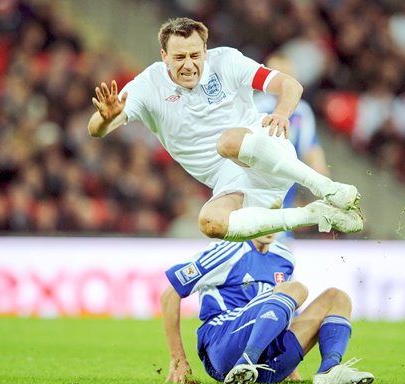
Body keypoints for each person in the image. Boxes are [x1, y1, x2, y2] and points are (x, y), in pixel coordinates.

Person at [87, 17, 363, 242]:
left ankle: (328, 188)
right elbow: (96, 130)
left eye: (195, 55)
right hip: (233, 184)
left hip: (266, 151)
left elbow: (291, 85)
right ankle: (317, 215)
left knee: (227, 140)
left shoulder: (227, 62)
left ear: (205, 51)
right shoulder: (147, 86)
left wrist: (280, 114)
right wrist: (106, 118)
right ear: (164, 56)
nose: (188, 64)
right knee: (210, 223)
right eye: (179, 56)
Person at [160, 233, 375, 384]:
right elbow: (169, 294)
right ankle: (246, 361)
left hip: (269, 363)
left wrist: (291, 365)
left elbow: (285, 308)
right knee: (296, 289)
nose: (272, 224)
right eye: (266, 215)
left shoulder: (284, 256)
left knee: (337, 298)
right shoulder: (225, 250)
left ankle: (329, 368)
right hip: (223, 343)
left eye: (277, 216)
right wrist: (178, 359)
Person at [254, 52, 330, 240]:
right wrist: (328, 190)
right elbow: (314, 157)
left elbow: (313, 154)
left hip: (278, 199)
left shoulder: (301, 112)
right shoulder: (256, 107)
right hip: (261, 194)